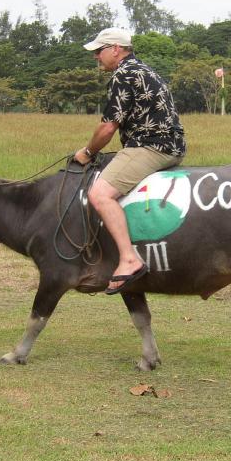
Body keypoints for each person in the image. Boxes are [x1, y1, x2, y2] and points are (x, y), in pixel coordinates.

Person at [74, 28, 186, 294]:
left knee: (100, 194)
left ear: (115, 49)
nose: (96, 57)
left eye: (99, 51)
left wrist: (87, 152)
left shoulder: (123, 75)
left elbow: (108, 128)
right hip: (168, 144)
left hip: (150, 147)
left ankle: (128, 258)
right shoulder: (145, 70)